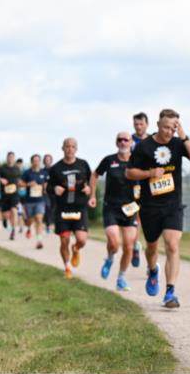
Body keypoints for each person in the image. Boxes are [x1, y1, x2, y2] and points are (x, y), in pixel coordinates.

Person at [126, 109, 190, 308]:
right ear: (158, 125)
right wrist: (150, 173)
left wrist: (184, 136)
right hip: (150, 206)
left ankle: (170, 291)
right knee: (152, 247)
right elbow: (130, 173)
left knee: (172, 245)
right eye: (167, 127)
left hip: (173, 205)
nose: (169, 132)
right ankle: (152, 270)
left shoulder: (178, 144)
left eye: (173, 128)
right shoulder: (144, 146)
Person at [91, 133, 141, 291]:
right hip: (111, 207)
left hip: (131, 208)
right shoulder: (109, 160)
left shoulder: (137, 161)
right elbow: (95, 174)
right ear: (116, 142)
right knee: (114, 243)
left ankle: (121, 278)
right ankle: (110, 258)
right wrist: (92, 195)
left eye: (126, 139)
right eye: (120, 139)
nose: (123, 142)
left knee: (128, 246)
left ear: (131, 142)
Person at [48, 138, 93, 278]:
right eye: (67, 146)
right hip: (63, 209)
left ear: (76, 149)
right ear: (62, 148)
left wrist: (89, 189)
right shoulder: (56, 168)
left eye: (73, 146)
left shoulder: (83, 164)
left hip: (80, 208)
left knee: (82, 240)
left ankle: (76, 249)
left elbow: (92, 181)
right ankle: (67, 267)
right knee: (64, 240)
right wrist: (54, 188)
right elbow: (48, 187)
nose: (70, 149)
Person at [130, 112, 151, 268]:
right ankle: (136, 245)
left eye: (141, 124)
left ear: (146, 125)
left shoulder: (153, 140)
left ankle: (150, 251)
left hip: (152, 183)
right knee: (136, 215)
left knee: (149, 218)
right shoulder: (129, 141)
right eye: (136, 124)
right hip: (135, 183)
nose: (138, 127)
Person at [22, 154, 48, 249]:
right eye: (34, 161)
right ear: (32, 162)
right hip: (29, 201)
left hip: (40, 200)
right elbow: (19, 184)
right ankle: (28, 228)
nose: (36, 162)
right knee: (30, 221)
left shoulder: (44, 173)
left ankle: (39, 241)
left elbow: (46, 183)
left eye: (38, 160)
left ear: (39, 162)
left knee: (39, 219)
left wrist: (45, 187)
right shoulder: (27, 173)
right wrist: (28, 184)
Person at [0, 152, 22, 241]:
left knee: (14, 210)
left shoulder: (17, 168)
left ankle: (13, 231)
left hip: (14, 194)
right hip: (4, 194)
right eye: (9, 157)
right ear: (7, 158)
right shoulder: (2, 168)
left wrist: (20, 184)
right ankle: (4, 219)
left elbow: (20, 179)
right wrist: (0, 179)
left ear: (14, 158)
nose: (10, 158)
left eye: (12, 157)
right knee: (6, 215)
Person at [42, 153, 55, 234]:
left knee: (53, 209)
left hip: (54, 192)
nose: (47, 161)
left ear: (51, 161)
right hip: (45, 193)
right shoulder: (42, 171)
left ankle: (53, 224)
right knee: (47, 207)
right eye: (46, 160)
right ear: (44, 161)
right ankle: (48, 225)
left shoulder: (55, 170)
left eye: (49, 160)